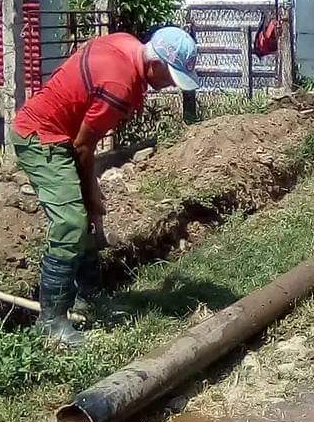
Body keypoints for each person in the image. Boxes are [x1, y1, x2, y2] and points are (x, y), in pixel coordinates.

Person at [11, 26, 200, 347]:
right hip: (40, 137)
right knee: (71, 221)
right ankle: (51, 321)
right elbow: (83, 147)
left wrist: (90, 195)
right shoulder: (120, 84)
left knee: (81, 212)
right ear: (154, 63)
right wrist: (92, 195)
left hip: (61, 137)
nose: (169, 83)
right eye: (169, 75)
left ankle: (90, 296)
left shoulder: (127, 45)